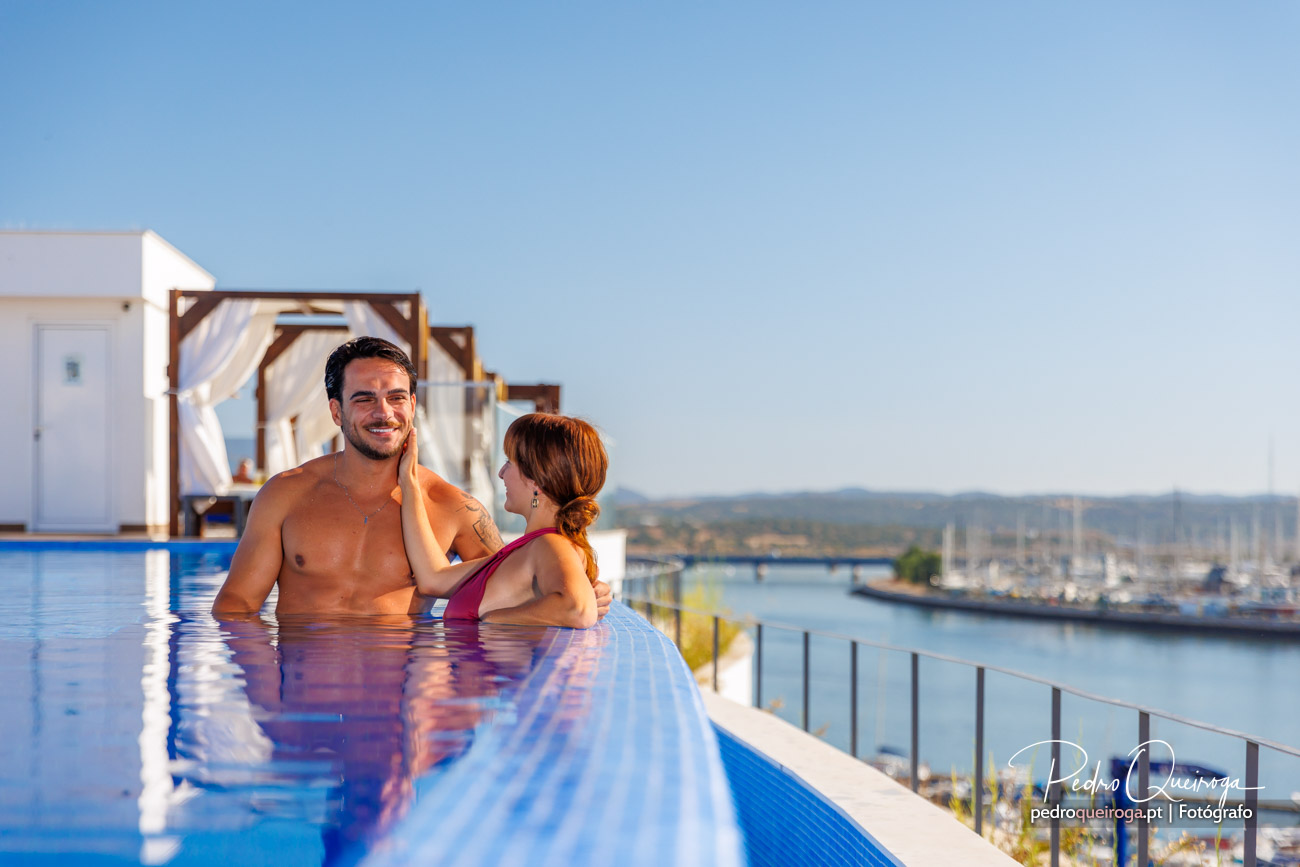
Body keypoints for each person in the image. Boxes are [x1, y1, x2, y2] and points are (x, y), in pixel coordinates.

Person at [211, 336, 612, 617]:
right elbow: (236, 606)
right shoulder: (286, 494)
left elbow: (518, 577)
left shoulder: (454, 507)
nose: (383, 413)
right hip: (306, 695)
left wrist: (588, 589)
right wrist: (268, 695)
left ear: (413, 405)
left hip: (402, 696)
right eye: (364, 399)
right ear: (336, 412)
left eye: (396, 397)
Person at [397, 412, 606, 628]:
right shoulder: (527, 550)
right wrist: (409, 483)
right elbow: (432, 579)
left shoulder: (550, 545)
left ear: (536, 480)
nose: (501, 473)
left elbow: (579, 610)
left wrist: (491, 619)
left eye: (509, 462)